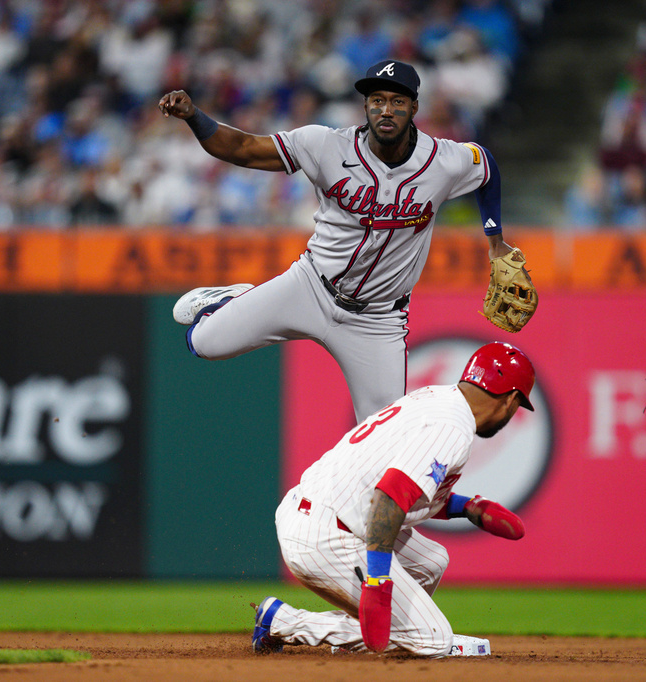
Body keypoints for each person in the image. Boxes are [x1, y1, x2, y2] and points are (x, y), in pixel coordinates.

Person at [158, 60, 521, 422]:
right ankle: (231, 298)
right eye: (377, 99)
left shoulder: (443, 160)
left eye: (397, 101)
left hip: (378, 320)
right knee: (203, 344)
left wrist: (496, 240)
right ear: (365, 106)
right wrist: (194, 117)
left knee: (383, 441)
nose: (386, 109)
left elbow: (486, 166)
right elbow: (243, 148)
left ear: (414, 107)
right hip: (310, 287)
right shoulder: (326, 145)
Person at [249, 341, 535, 657]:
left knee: (431, 562)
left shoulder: (437, 398)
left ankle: (382, 635)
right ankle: (285, 622)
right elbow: (389, 498)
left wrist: (467, 507)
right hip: (327, 534)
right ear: (510, 400)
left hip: (323, 511)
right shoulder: (452, 427)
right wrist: (377, 581)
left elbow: (402, 487)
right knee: (434, 640)